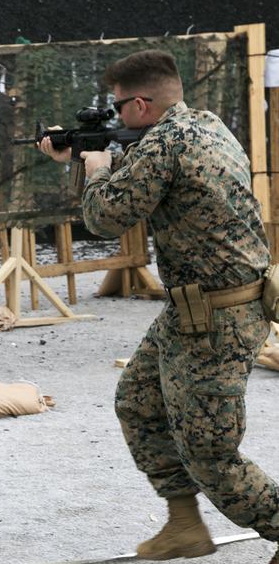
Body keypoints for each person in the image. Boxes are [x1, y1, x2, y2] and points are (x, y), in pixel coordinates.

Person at [39, 49, 279, 562]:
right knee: (139, 400)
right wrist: (88, 158)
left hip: (220, 318)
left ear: (142, 105)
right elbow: (155, 179)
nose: (116, 115)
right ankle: (185, 525)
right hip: (198, 309)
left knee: (212, 453)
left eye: (120, 107)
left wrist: (96, 166)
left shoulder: (165, 143)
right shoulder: (203, 125)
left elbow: (106, 218)